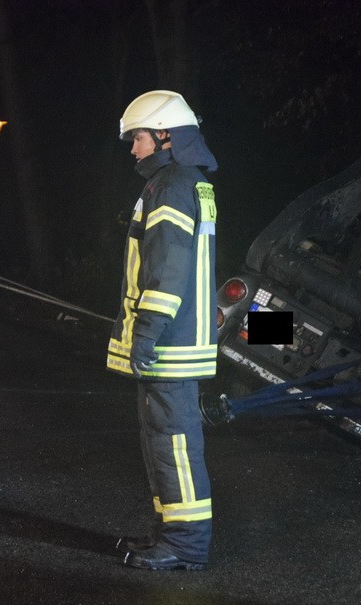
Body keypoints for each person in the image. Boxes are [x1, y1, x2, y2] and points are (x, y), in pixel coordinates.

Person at [107, 90, 219, 571]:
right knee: (163, 442)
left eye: (138, 138)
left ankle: (186, 546)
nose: (133, 148)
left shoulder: (172, 184)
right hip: (175, 339)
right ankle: (169, 533)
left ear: (166, 137)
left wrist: (147, 331)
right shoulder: (182, 181)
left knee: (173, 444)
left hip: (169, 342)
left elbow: (168, 266)